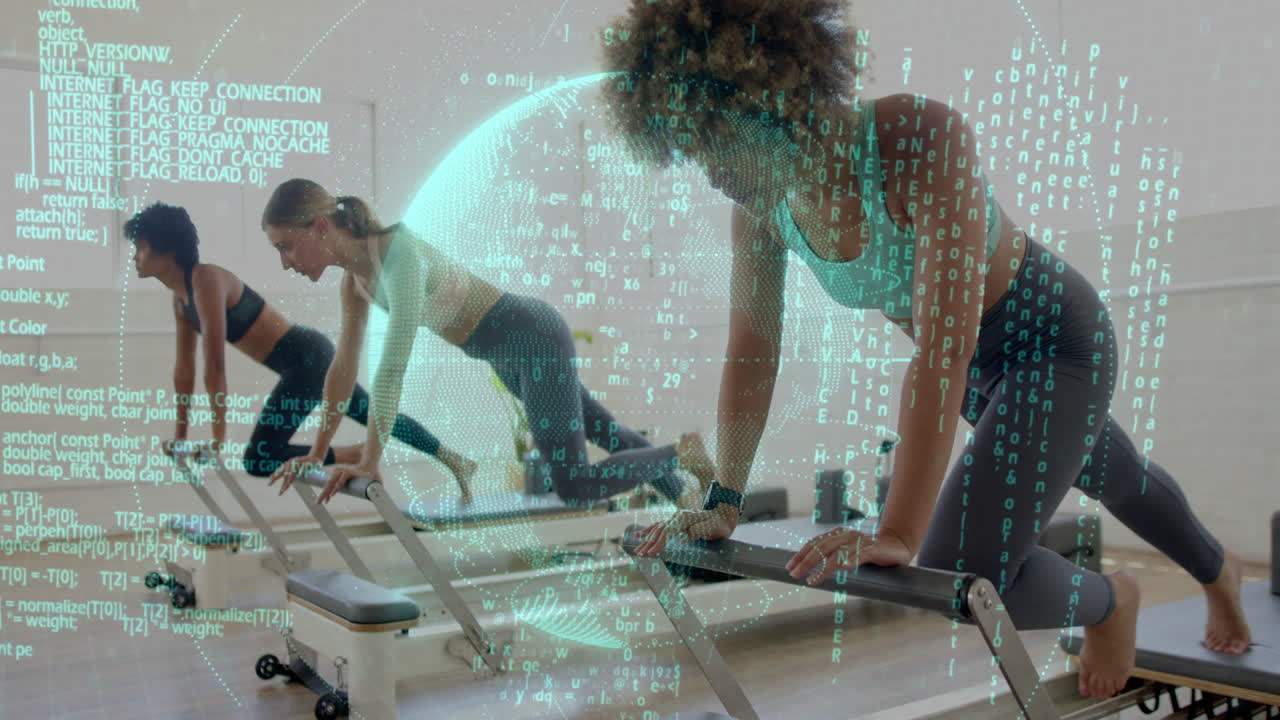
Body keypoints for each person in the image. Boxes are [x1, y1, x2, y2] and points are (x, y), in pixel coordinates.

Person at [601, 0, 1252, 700]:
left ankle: (1115, 597)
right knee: (1114, 474)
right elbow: (754, 349)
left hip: (1053, 342)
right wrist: (724, 496)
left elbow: (943, 347)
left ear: (773, 98)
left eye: (717, 142)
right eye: (691, 148)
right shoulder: (762, 207)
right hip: (978, 371)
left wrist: (899, 531)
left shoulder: (917, 136)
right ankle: (1219, 568)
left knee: (954, 569)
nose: (710, 171)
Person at [259, 179, 716, 510]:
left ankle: (682, 453)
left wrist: (369, 461)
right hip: (509, 359)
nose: (285, 263)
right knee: (608, 434)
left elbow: (392, 366)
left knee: (575, 486)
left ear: (320, 227)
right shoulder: (355, 284)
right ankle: (692, 502)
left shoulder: (399, 255)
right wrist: (318, 451)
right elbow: (342, 369)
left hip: (533, 339)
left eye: (287, 246)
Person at [124, 202, 477, 502]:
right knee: (370, 412)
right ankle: (455, 459)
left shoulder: (206, 280)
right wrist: (182, 436)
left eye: (141, 248)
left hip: (305, 359)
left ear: (167, 250)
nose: (136, 257)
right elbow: (184, 372)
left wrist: (216, 441)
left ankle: (355, 453)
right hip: (304, 362)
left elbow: (213, 364)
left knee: (259, 458)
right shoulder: (180, 300)